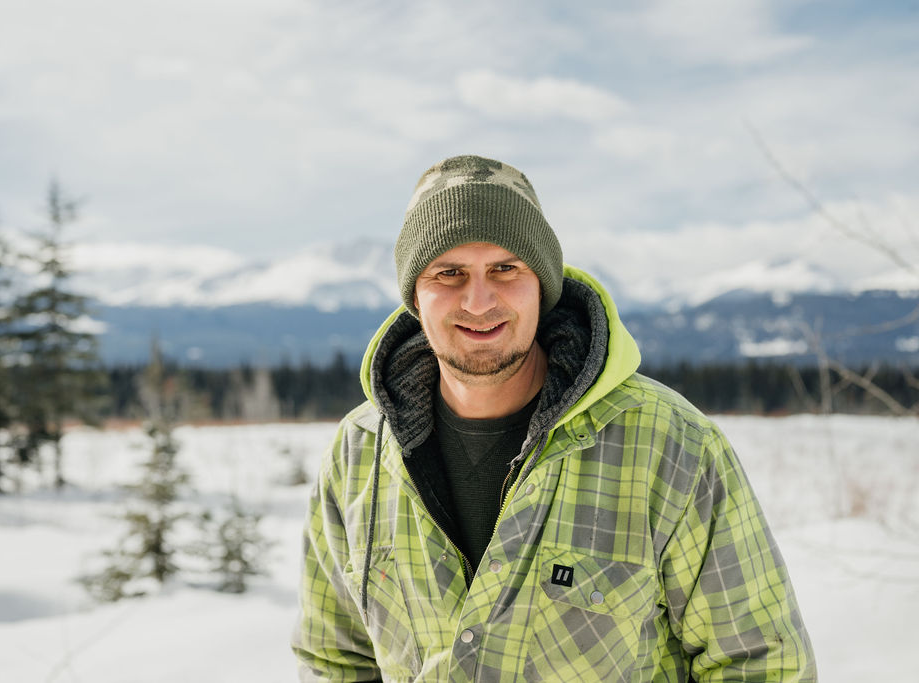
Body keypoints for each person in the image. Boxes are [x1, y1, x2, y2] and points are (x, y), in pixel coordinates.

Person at [292, 155, 815, 681]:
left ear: (542, 284)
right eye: (448, 273)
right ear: (413, 293)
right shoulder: (359, 452)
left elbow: (759, 663)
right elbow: (334, 661)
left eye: (505, 269)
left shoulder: (670, 445)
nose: (478, 301)